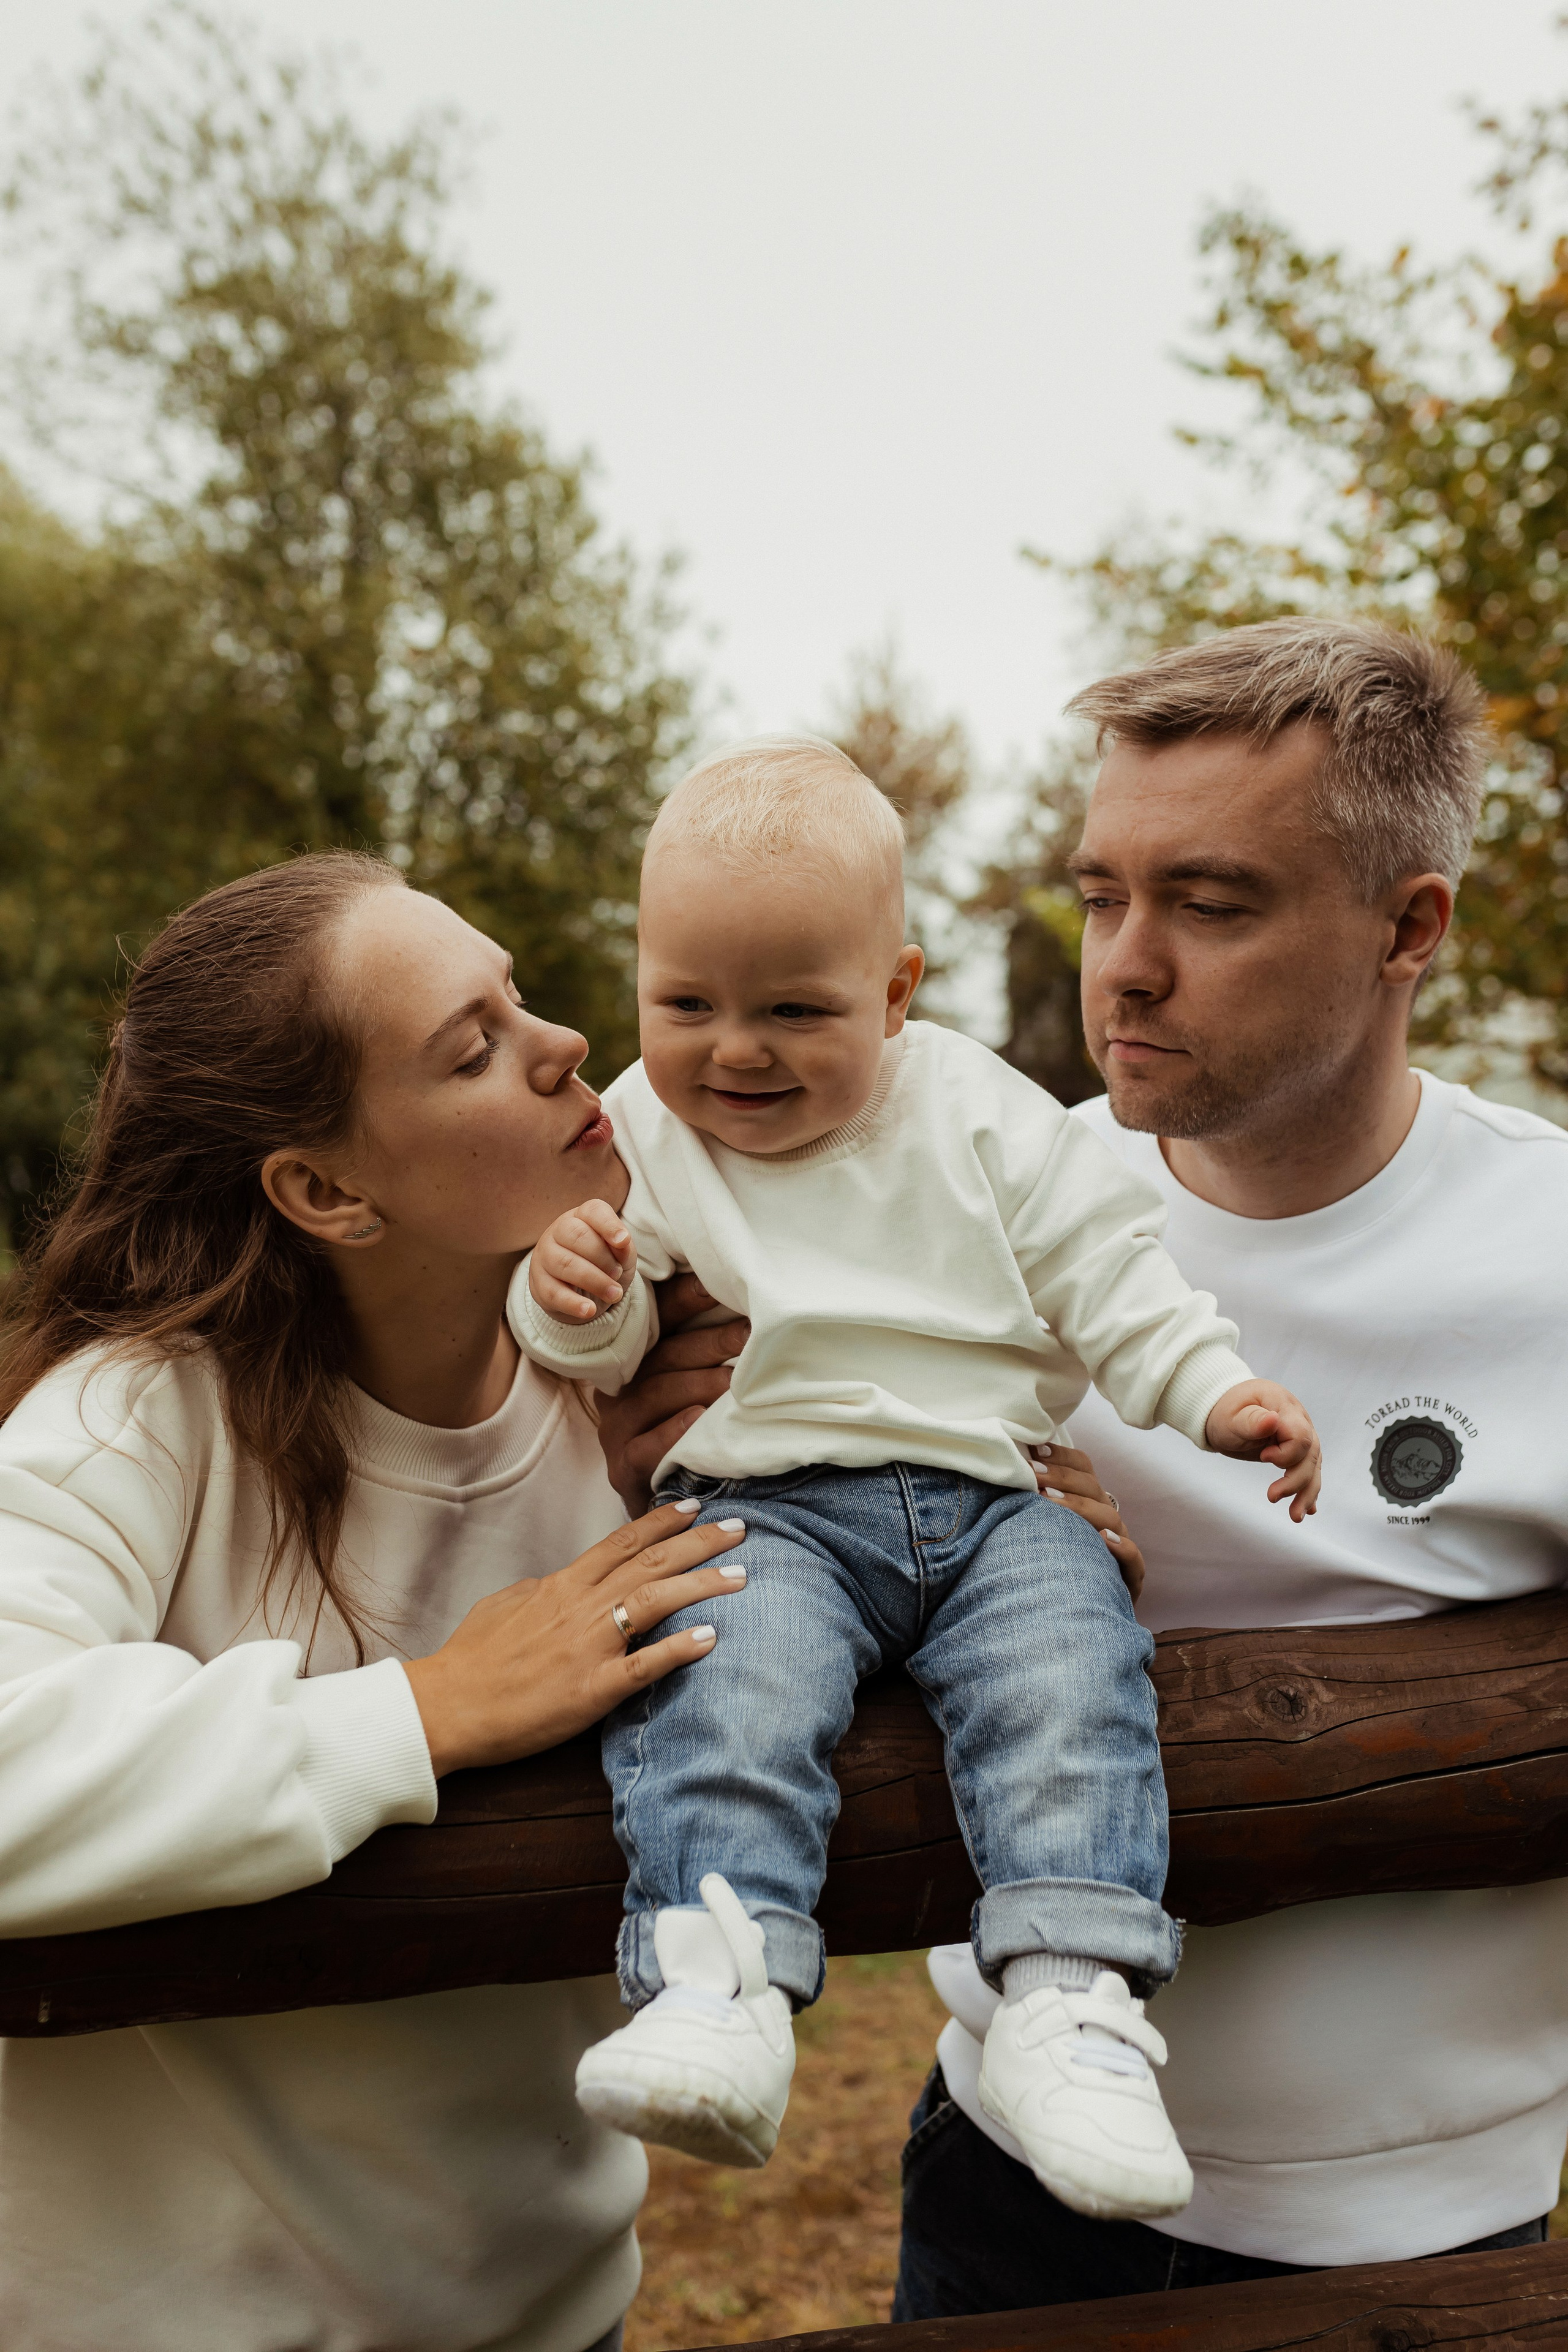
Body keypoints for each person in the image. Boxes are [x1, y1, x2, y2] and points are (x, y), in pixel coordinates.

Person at [510, 736, 1321, 2222]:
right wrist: (573, 1294)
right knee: (724, 1687)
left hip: (997, 1498)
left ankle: (1068, 2008)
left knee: (1071, 1684)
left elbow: (1106, 1274)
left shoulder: (978, 1110)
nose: (733, 1052)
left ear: (895, 990)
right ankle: (721, 1987)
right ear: (639, 976)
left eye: (794, 1011)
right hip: (770, 1501)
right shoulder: (644, 1128)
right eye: (684, 1003)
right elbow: (613, 1330)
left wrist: (1214, 1396)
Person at [882, 619, 1568, 2312]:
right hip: (1003, 2185)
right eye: (1104, 893)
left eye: (1211, 902)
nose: (1125, 963)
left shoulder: (1553, 1253)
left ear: (1412, 928)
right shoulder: (969, 1212)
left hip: (1422, 2236)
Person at [0, 851, 751, 2352]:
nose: (563, 1047)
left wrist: (1017, 1519)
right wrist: (425, 1710)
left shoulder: (649, 1390)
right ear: (324, 1188)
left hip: (553, 2316)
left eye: (521, 998)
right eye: (473, 1048)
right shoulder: (130, 1423)